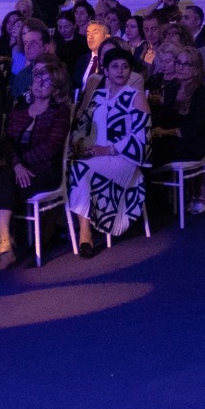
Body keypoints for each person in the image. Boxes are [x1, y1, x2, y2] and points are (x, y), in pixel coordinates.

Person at [0, 60, 72, 271]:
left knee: (3, 181)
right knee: (3, 177)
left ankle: (6, 247)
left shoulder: (60, 111)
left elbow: (51, 147)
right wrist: (17, 165)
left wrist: (21, 164)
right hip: (17, 170)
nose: (40, 84)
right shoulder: (20, 105)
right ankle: (5, 243)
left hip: (46, 170)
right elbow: (7, 141)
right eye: (38, 78)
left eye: (47, 81)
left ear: (56, 89)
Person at [69, 48, 150, 257]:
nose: (120, 71)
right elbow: (84, 124)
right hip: (97, 155)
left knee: (80, 170)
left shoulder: (136, 97)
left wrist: (108, 149)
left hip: (124, 158)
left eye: (125, 67)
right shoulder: (98, 96)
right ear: (105, 70)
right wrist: (80, 143)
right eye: (115, 66)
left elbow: (142, 137)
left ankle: (85, 233)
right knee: (76, 167)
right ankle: (85, 231)